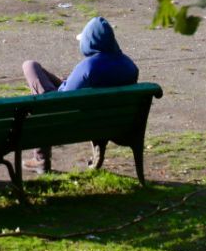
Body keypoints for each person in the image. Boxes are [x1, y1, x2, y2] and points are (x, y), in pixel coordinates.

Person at [20, 15, 139, 172]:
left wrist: (65, 84)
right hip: (110, 122)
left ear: (90, 42)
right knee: (64, 82)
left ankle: (41, 159)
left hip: (71, 120)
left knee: (30, 66)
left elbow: (62, 100)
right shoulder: (129, 66)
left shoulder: (88, 67)